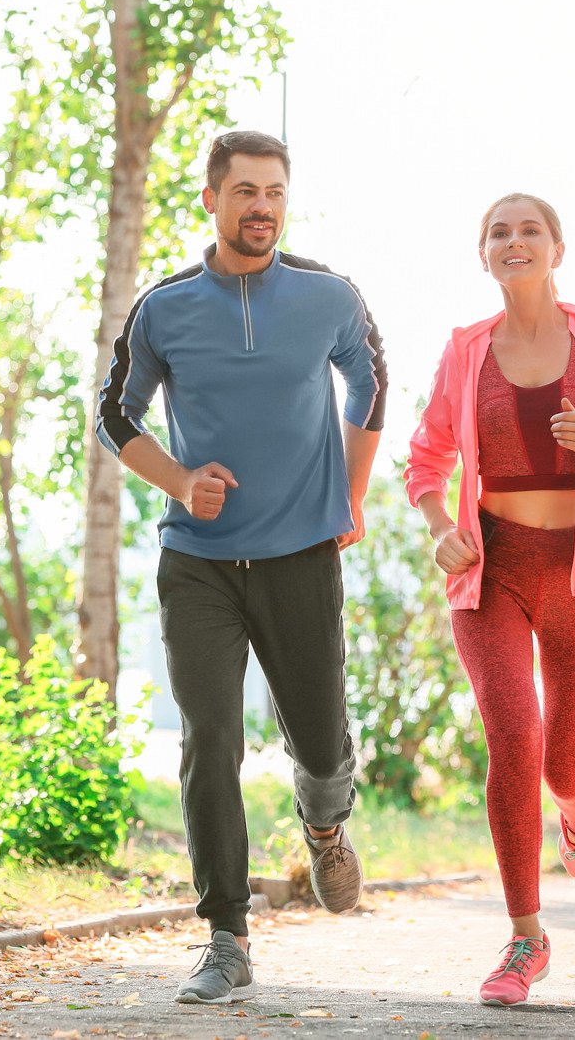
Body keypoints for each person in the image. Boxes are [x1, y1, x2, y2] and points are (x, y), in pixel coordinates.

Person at [93, 130, 388, 1005]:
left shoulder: (328, 295)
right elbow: (116, 416)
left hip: (301, 554)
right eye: (246, 191)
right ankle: (227, 934)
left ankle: (325, 825)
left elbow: (371, 382)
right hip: (201, 564)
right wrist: (182, 480)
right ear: (212, 200)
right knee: (209, 738)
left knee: (321, 739)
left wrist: (352, 497)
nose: (262, 206)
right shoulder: (166, 306)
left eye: (274, 193)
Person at [404, 193, 575, 1007]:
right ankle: (525, 938)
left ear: (558, 248)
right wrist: (440, 524)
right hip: (492, 574)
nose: (515, 241)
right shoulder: (465, 350)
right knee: (515, 735)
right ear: (484, 253)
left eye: (530, 231)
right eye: (499, 232)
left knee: (564, 763)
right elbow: (425, 460)